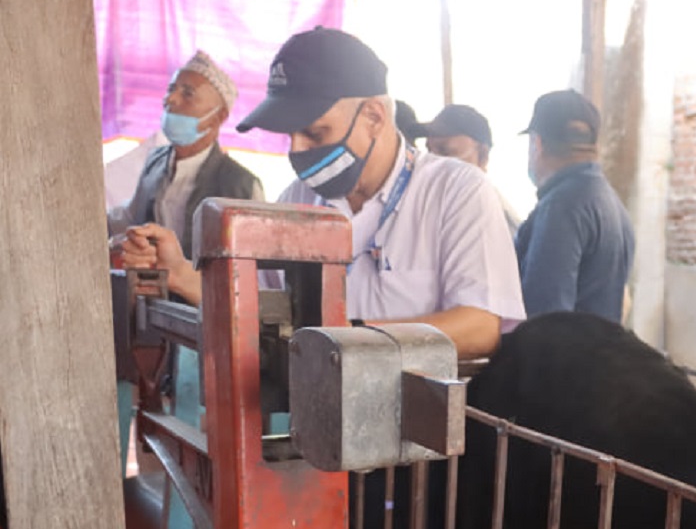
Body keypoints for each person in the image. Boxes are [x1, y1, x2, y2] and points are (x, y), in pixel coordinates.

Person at [125, 27, 525, 357]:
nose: (297, 150)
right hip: (320, 431)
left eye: (315, 132)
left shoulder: (456, 192)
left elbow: (479, 325)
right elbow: (254, 302)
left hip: (430, 438)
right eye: (290, 135)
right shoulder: (297, 200)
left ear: (373, 116)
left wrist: (345, 340)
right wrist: (180, 274)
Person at [107, 51, 263, 259]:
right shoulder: (155, 161)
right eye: (171, 90)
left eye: (187, 93)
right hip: (150, 288)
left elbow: (254, 263)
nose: (171, 99)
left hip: (204, 292)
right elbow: (129, 217)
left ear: (218, 117)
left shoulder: (242, 185)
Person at [515, 89, 634, 321]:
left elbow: (545, 322)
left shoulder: (560, 208)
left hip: (567, 356)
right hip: (600, 353)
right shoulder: (613, 204)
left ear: (537, 143)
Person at [417, 103, 522, 235]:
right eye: (429, 151)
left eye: (445, 152)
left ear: (483, 156)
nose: (432, 162)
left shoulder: (494, 218)